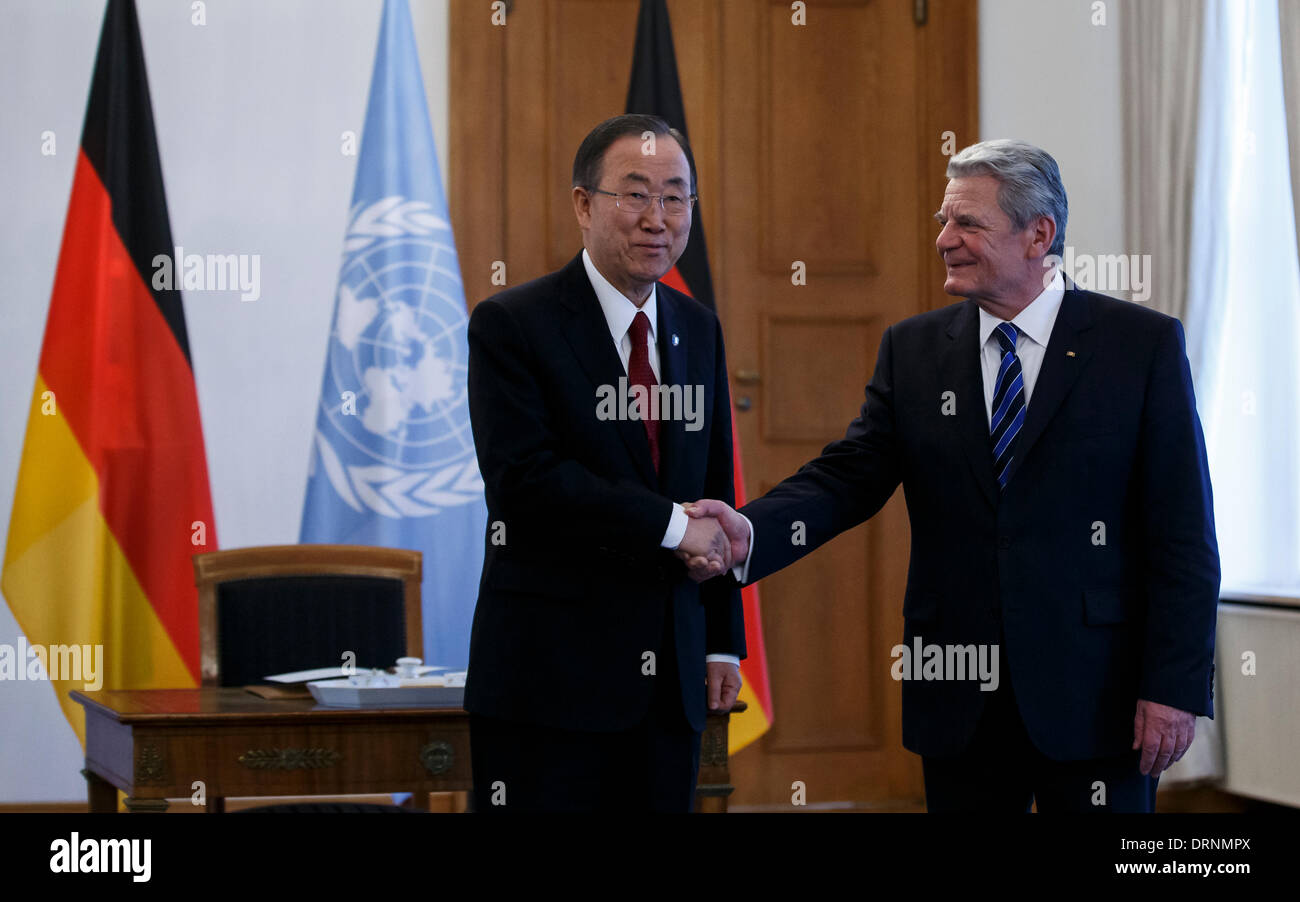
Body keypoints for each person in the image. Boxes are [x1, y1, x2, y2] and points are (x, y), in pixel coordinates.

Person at [682, 139, 1219, 813]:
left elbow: (1183, 535)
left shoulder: (1139, 347)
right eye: (943, 220)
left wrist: (1173, 685)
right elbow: (848, 477)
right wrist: (747, 532)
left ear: (1038, 235)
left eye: (967, 223)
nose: (944, 239)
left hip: (1096, 694)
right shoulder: (914, 350)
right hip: (959, 696)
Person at [464, 114, 746, 812]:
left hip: (670, 682)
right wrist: (671, 527)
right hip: (550, 681)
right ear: (584, 204)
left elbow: (714, 490)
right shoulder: (513, 325)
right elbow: (524, 481)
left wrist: (720, 643)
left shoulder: (696, 326)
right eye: (636, 194)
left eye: (676, 197)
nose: (658, 218)